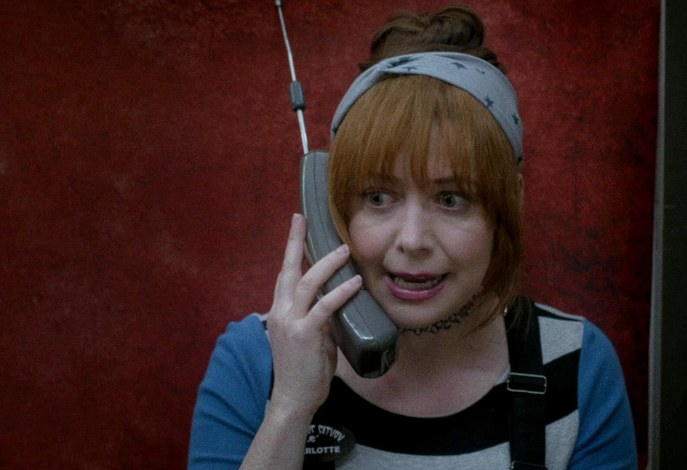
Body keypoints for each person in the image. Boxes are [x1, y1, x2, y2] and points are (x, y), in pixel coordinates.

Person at [189, 5, 637, 469]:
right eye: (378, 197)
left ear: (508, 203)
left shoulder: (577, 366)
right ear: (333, 208)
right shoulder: (255, 360)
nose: (413, 239)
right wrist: (289, 407)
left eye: (451, 199)